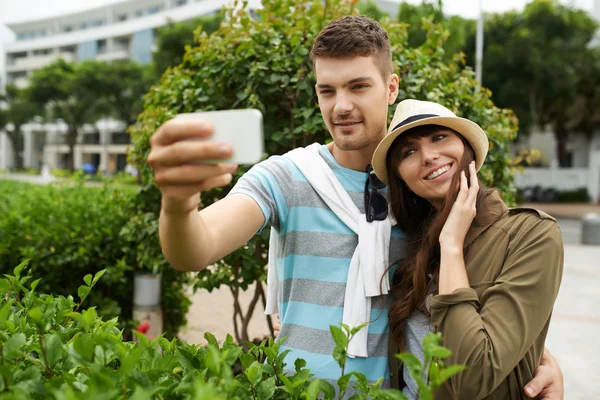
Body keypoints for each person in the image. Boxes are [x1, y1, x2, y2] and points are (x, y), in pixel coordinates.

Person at [147, 15, 563, 398]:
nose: (340, 106)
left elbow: (472, 295)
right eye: (327, 90)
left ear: (392, 88)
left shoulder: (421, 192)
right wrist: (179, 204)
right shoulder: (287, 176)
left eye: (358, 86)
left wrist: (540, 356)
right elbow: (196, 249)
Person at [369, 99, 564, 399]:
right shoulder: (406, 246)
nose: (429, 156)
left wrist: (451, 247)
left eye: (439, 137)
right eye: (409, 151)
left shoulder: (531, 234)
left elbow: (474, 377)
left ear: (467, 149)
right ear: (402, 180)